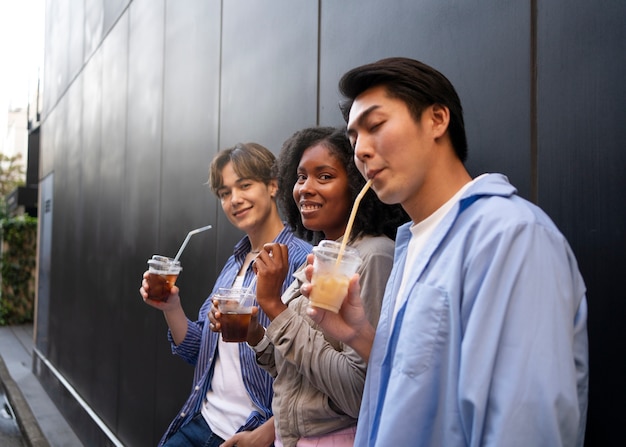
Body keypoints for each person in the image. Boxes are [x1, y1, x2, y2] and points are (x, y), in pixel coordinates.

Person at [303, 57, 589, 446]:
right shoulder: (411, 245)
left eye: (375, 126)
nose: (362, 151)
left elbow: (524, 425)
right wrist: (360, 335)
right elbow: (421, 386)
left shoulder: (509, 235)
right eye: (353, 139)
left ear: (437, 119)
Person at [235, 126, 408, 447]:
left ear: (357, 186)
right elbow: (295, 371)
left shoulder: (374, 257)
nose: (305, 188)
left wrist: (275, 306)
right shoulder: (321, 257)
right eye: (300, 177)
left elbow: (358, 393)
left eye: (324, 176)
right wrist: (255, 334)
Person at [140, 142, 311, 447]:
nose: (235, 199)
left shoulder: (301, 261)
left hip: (251, 431)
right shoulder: (235, 264)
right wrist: (171, 307)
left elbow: (312, 372)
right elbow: (198, 351)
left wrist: (269, 432)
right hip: (199, 420)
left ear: (272, 186)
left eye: (245, 185)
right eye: (225, 193)